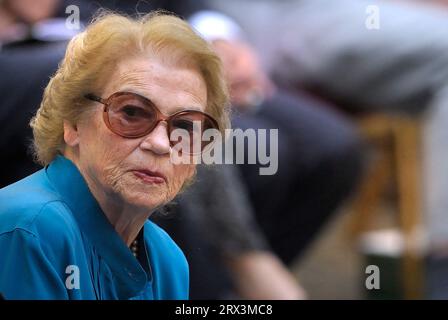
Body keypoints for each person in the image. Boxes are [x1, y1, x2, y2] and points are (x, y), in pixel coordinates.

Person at [0, 11, 229, 300]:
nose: (160, 144)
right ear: (72, 122)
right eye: (132, 112)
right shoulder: (27, 229)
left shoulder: (168, 260)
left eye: (184, 127)